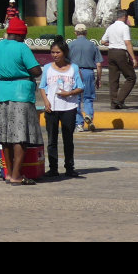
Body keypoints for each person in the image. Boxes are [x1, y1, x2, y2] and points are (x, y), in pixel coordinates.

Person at [0, 17, 43, 185]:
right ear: (20, 35)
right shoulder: (21, 48)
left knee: (6, 136)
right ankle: (17, 175)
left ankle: (9, 173)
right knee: (20, 136)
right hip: (21, 94)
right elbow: (36, 70)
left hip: (2, 93)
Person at [39, 37, 83, 178]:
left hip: (68, 107)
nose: (55, 55)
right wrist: (46, 102)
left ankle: (69, 167)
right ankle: (53, 168)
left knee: (68, 139)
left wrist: (69, 93)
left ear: (64, 53)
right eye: (52, 52)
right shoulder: (47, 68)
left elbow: (80, 87)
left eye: (57, 52)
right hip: (52, 108)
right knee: (52, 139)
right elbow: (42, 87)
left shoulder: (73, 68)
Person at [100, 8, 137, 109]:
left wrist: (112, 43)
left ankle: (114, 102)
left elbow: (102, 41)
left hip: (111, 52)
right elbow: (127, 43)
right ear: (125, 17)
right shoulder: (124, 27)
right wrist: (133, 58)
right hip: (121, 53)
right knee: (131, 77)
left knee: (113, 79)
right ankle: (119, 99)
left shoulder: (110, 27)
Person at [68, 23, 102, 132]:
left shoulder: (70, 45)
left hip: (75, 72)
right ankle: (89, 115)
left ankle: (79, 124)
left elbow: (66, 62)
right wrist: (98, 79)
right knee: (88, 97)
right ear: (86, 32)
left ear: (75, 33)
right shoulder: (92, 45)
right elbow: (99, 64)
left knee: (76, 99)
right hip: (88, 72)